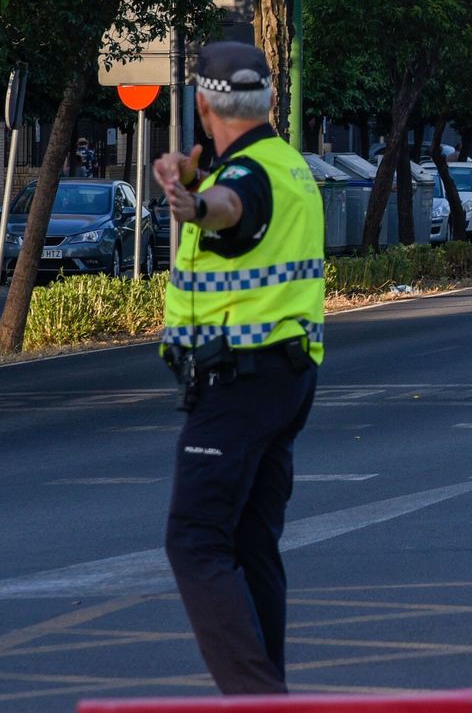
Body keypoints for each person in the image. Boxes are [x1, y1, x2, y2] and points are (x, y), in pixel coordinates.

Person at [153, 42, 325, 695]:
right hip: (286, 377)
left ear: (201, 105)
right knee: (251, 544)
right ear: (271, 101)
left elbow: (234, 209)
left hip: (240, 380)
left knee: (194, 537)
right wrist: (197, 184)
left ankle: (257, 700)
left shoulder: (247, 179)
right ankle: (268, 691)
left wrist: (195, 205)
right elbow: (235, 194)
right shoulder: (287, 164)